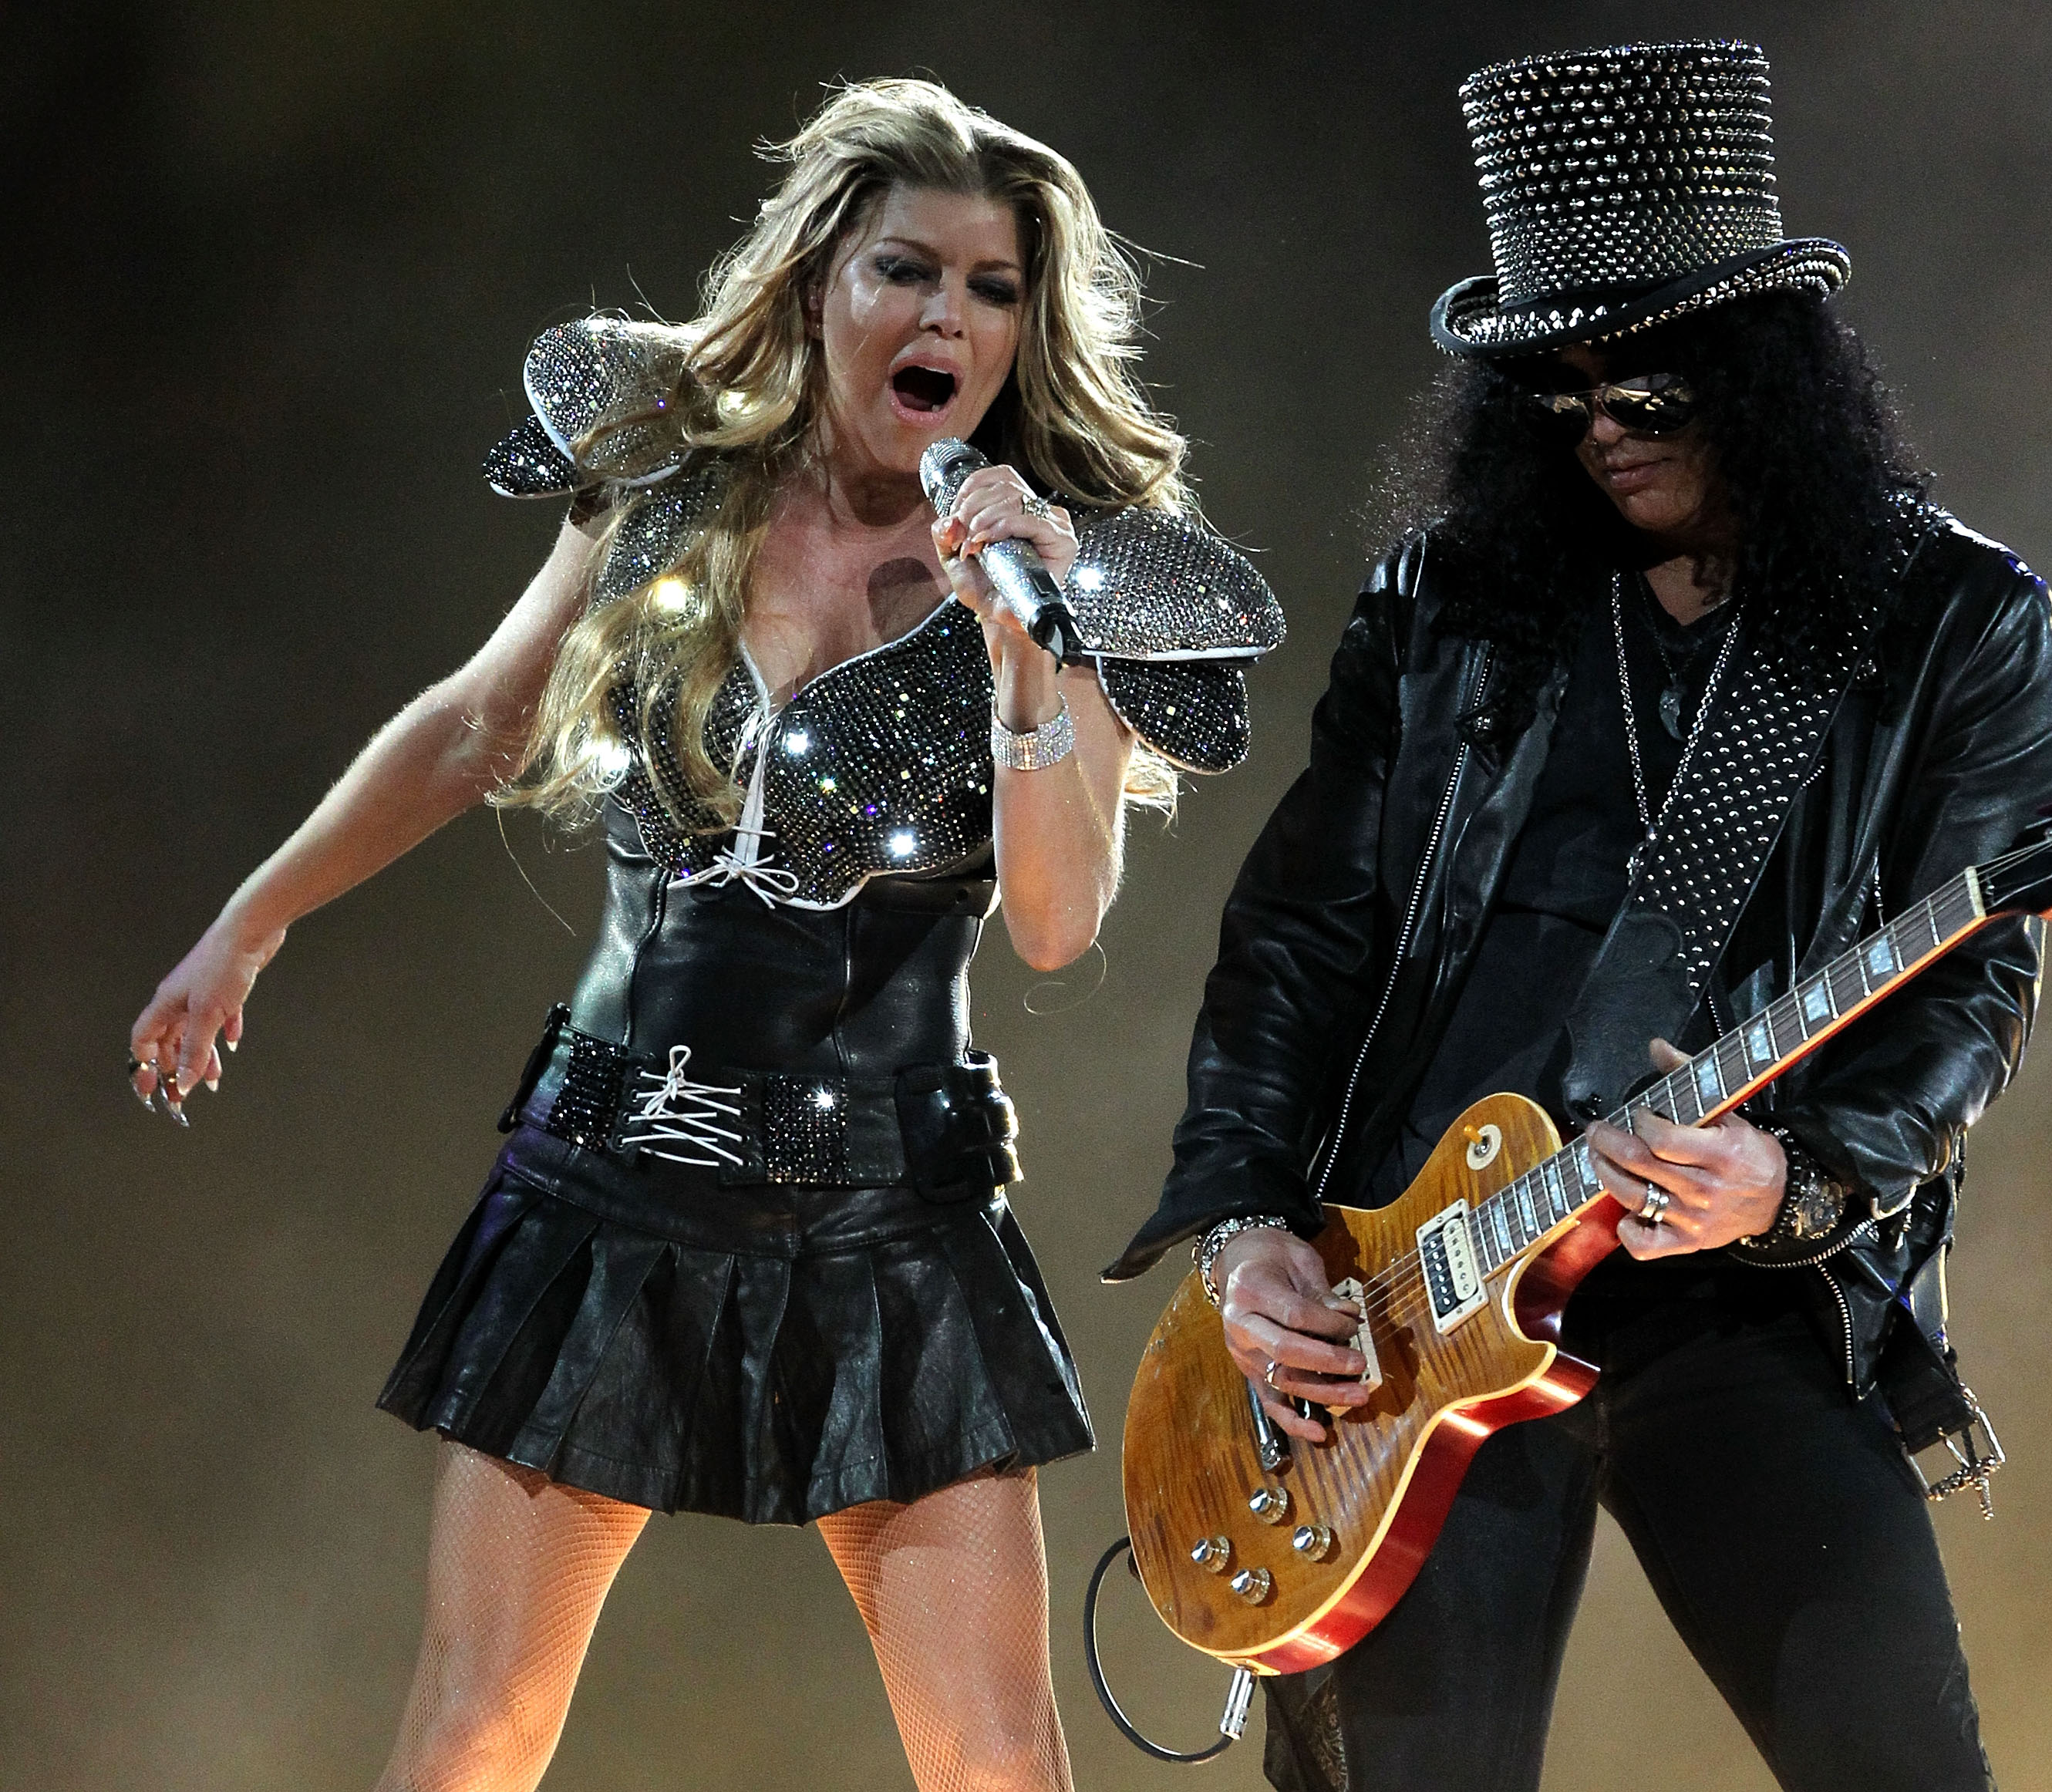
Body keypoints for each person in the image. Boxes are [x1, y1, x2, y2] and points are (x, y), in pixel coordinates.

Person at [130, 77, 1279, 1792]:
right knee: (475, 1729)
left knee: (994, 1759)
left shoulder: (1069, 578)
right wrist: (252, 921)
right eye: (906, 270)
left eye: (991, 288)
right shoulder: (666, 475)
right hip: (611, 1182)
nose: (947, 318)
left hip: (887, 1210)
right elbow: (477, 723)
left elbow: (1056, 926)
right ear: (819, 281)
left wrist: (1033, 661)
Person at [1104, 41, 2052, 1792]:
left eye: (1651, 387)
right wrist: (1242, 1221)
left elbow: (1972, 987)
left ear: (1770, 372)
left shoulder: (1950, 618)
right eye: (1559, 396)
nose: (1605, 431)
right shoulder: (1450, 596)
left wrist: (1801, 1176)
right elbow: (1300, 930)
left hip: (1732, 1282)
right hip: (1414, 1293)